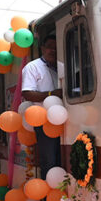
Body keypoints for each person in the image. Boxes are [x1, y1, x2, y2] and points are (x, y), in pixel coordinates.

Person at [21, 33, 63, 179]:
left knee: (61, 160)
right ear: (42, 48)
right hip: (44, 121)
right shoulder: (33, 67)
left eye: (56, 47)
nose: (53, 50)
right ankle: (48, 199)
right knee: (49, 161)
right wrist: (53, 94)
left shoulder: (61, 67)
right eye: (49, 47)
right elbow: (27, 93)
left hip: (63, 119)